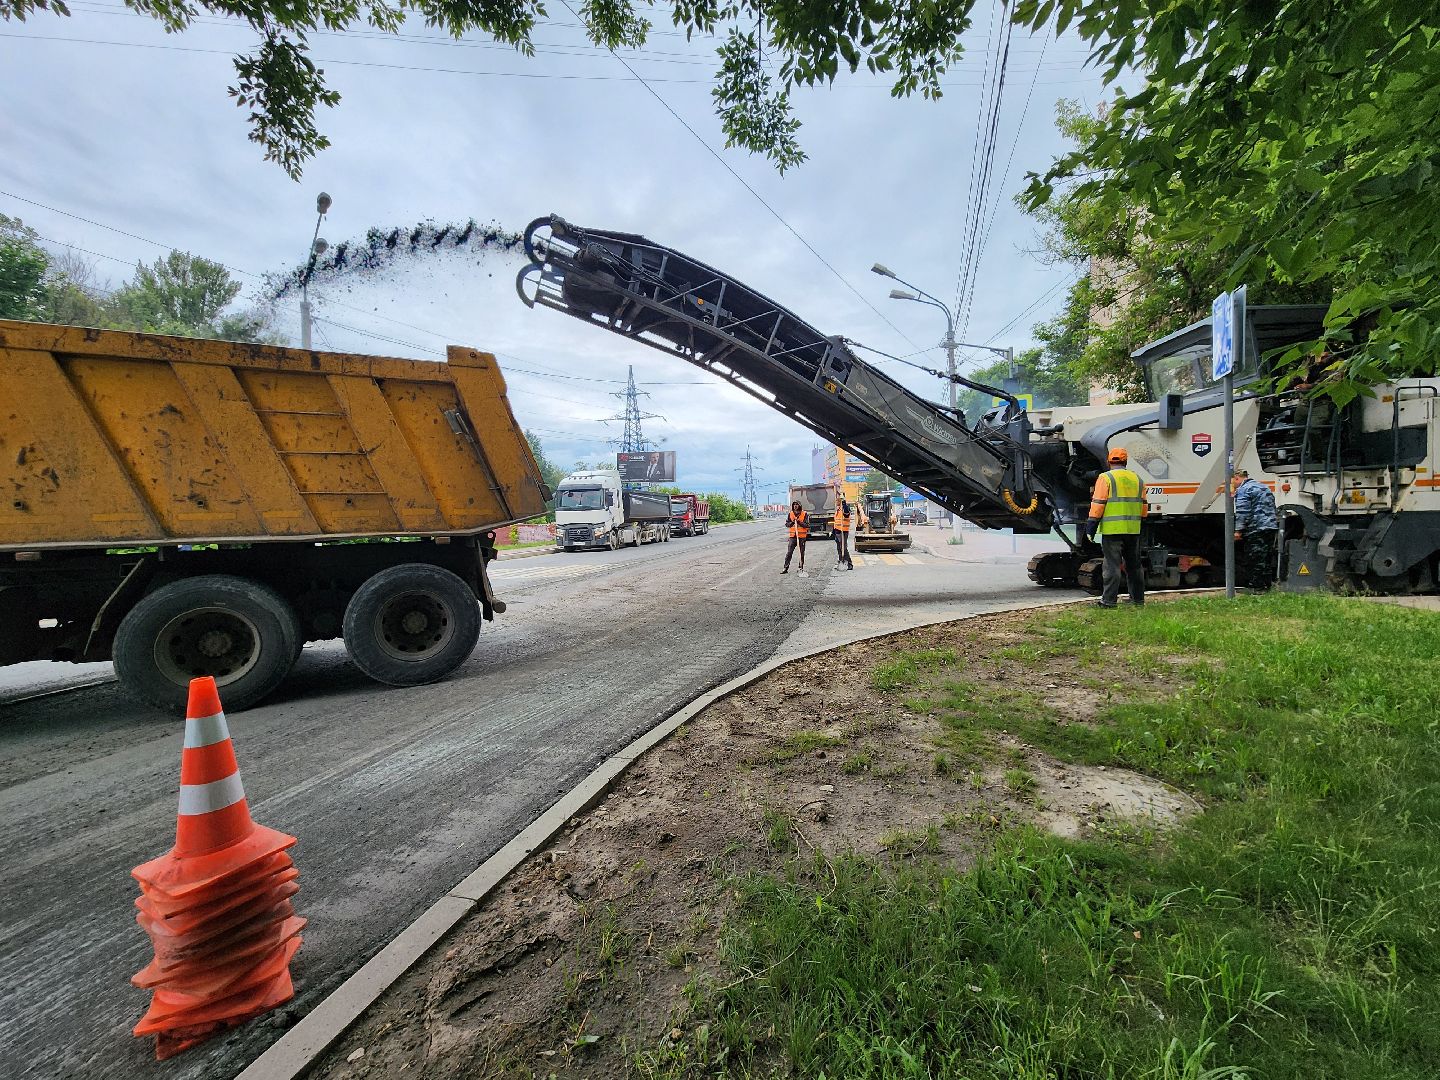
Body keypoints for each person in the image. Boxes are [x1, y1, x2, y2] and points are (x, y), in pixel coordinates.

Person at [1086, 447, 1148, 607]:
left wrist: (1091, 526)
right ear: (1126, 461)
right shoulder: (1137, 479)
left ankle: (1108, 601)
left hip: (1113, 531)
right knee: (1134, 566)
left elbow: (1098, 504)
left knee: (1112, 566)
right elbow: (1144, 507)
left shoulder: (1105, 478)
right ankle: (1138, 600)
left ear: (1109, 461)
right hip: (1133, 530)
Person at [1232, 468, 1279, 591]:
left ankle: (1256, 587)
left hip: (1256, 528)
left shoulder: (1244, 490)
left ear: (1237, 478)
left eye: (1232, 482)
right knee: (1266, 557)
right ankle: (1266, 585)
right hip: (1270, 527)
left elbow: (1243, 512)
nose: (1233, 485)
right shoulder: (1264, 487)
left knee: (1254, 558)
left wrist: (1238, 531)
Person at [781, 500, 809, 574]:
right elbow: (787, 524)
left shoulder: (804, 514)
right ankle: (785, 568)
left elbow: (807, 525)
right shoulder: (791, 514)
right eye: (794, 504)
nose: (795, 506)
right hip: (793, 537)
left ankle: (800, 568)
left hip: (801, 537)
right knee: (789, 552)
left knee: (801, 553)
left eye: (797, 504)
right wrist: (792, 522)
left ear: (799, 506)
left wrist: (799, 522)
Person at [832, 495, 854, 570]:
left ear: (840, 501)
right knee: (839, 548)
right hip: (838, 531)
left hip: (843, 531)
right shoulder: (838, 509)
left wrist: (844, 505)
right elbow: (836, 521)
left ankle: (849, 563)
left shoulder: (844, 508)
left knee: (843, 547)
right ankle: (841, 561)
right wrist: (834, 531)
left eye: (837, 501)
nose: (836, 502)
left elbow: (846, 514)